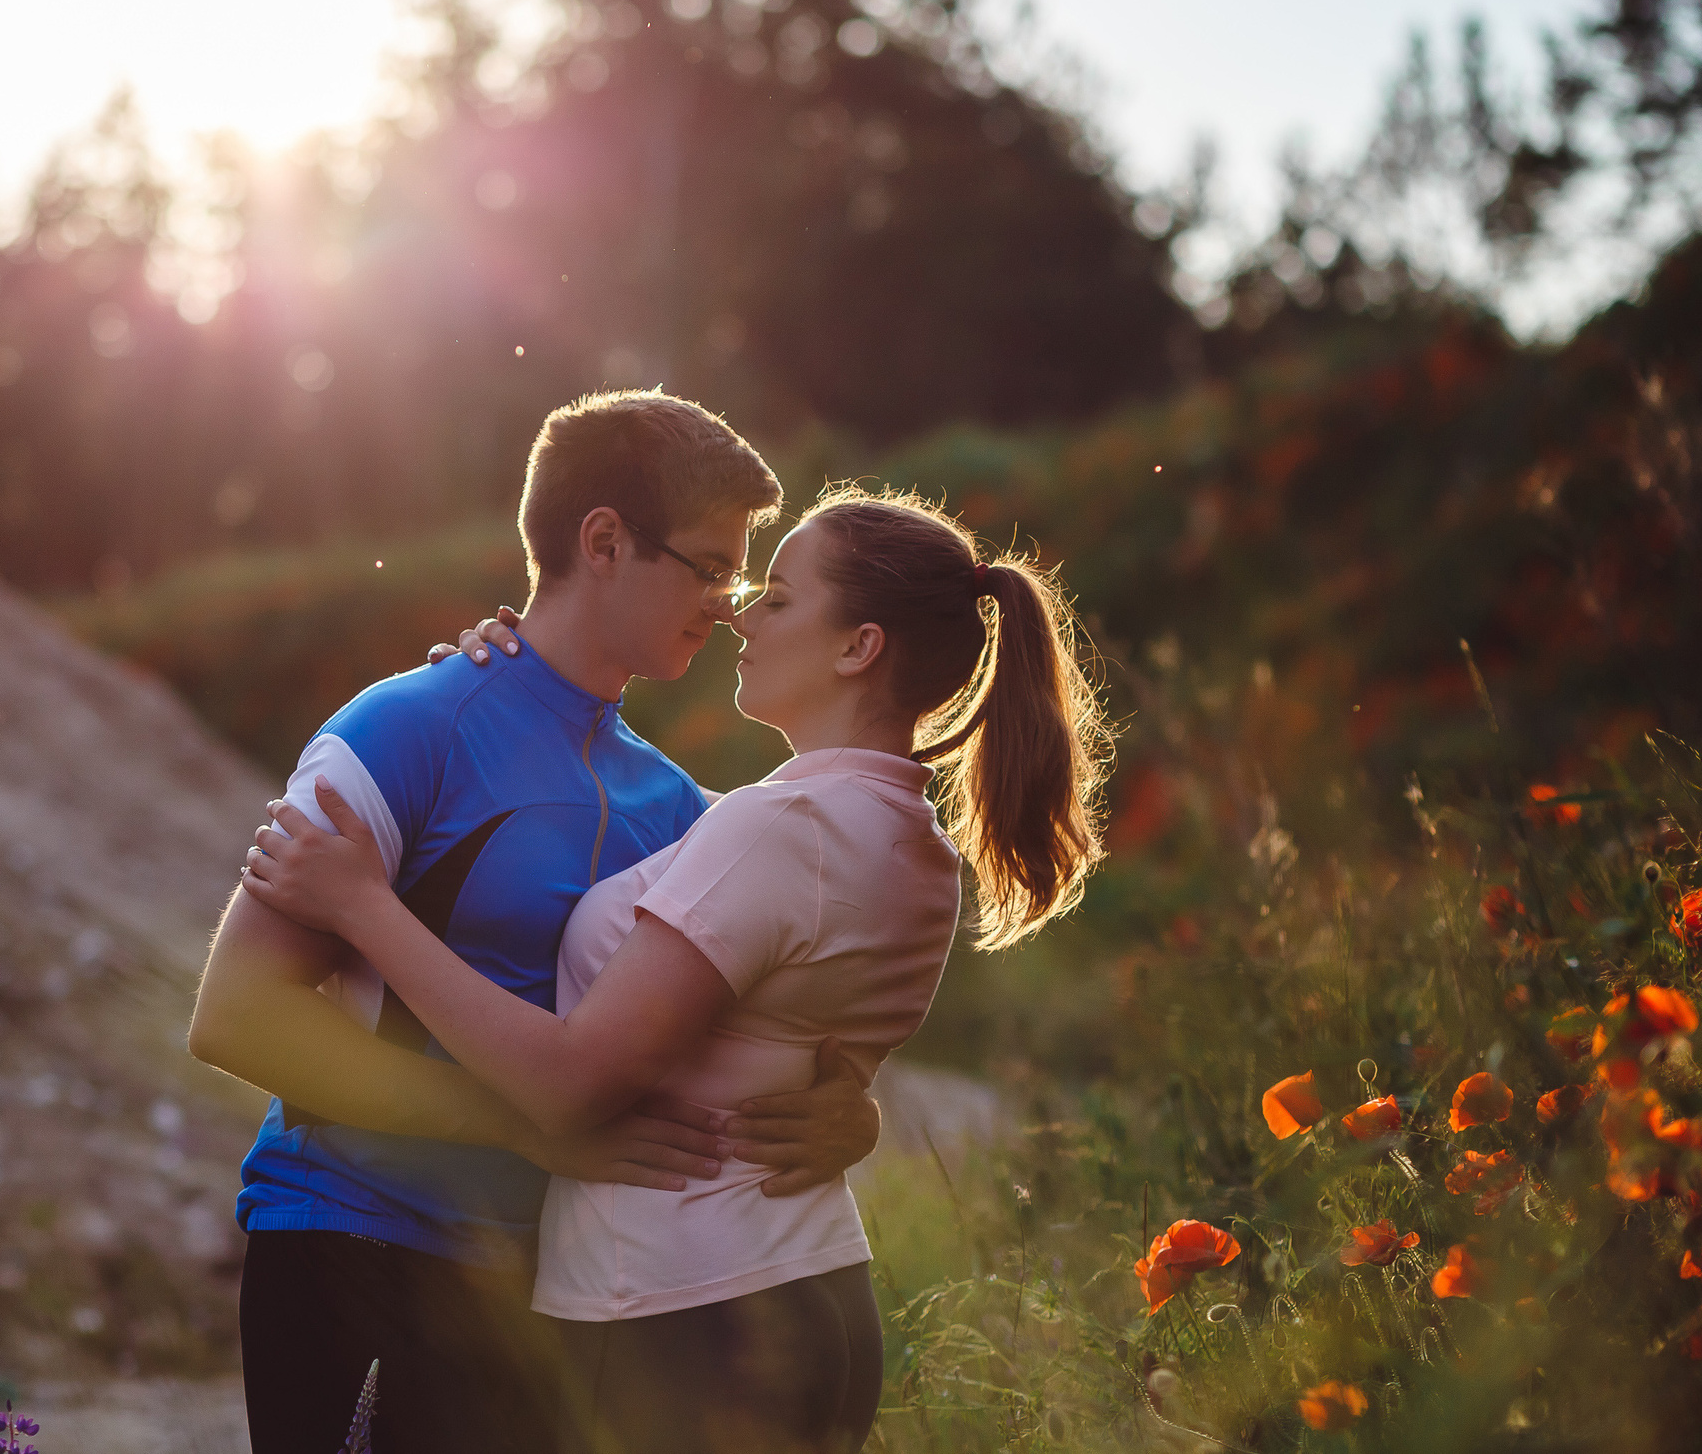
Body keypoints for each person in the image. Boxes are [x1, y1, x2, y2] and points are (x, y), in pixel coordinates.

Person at [244, 485, 1110, 1454]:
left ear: (858, 647)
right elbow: (791, 1027)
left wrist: (363, 904)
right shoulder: (905, 841)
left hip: (682, 1312)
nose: (739, 611)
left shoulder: (772, 830)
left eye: (775, 597)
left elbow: (572, 1084)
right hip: (809, 1296)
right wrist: (503, 693)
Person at [187, 392, 886, 1454]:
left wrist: (850, 1116)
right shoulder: (405, 727)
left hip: (556, 1286)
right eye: (706, 566)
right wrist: (519, 1125)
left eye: (736, 577)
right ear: (602, 540)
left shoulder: (683, 810)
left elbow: (746, 1053)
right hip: (355, 1243)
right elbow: (238, 1016)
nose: (728, 604)